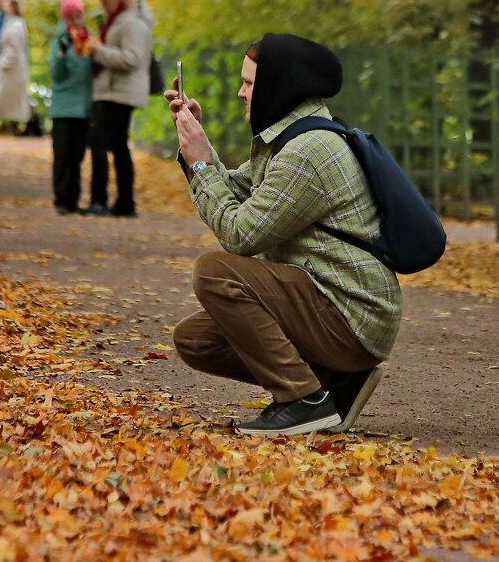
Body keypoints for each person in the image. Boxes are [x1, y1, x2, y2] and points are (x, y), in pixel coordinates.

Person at [168, 33, 398, 436]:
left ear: (279, 86)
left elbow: (239, 235)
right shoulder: (290, 139)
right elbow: (236, 190)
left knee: (215, 272)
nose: (241, 93)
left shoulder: (308, 152)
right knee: (196, 340)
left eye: (249, 83)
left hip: (350, 313)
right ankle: (333, 382)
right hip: (331, 303)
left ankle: (303, 400)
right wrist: (198, 148)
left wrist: (201, 164)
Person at [82, 0, 150, 218]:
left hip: (120, 93)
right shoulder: (119, 21)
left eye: (106, 1)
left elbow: (132, 58)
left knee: (99, 141)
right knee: (119, 145)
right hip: (114, 90)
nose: (104, 6)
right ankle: (125, 202)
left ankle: (100, 200)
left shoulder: (131, 23)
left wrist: (98, 51)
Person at [48, 0, 94, 214]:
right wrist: (62, 53)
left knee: (77, 156)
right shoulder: (59, 41)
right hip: (63, 108)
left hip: (84, 107)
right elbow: (56, 75)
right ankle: (61, 200)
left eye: (78, 15)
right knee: (62, 155)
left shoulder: (89, 40)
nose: (76, 20)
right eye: (71, 16)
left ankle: (73, 200)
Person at [0, 0, 32, 133]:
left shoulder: (16, 25)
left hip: (11, 68)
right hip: (8, 66)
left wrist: (1, 63)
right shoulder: (10, 22)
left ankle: (27, 126)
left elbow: (14, 49)